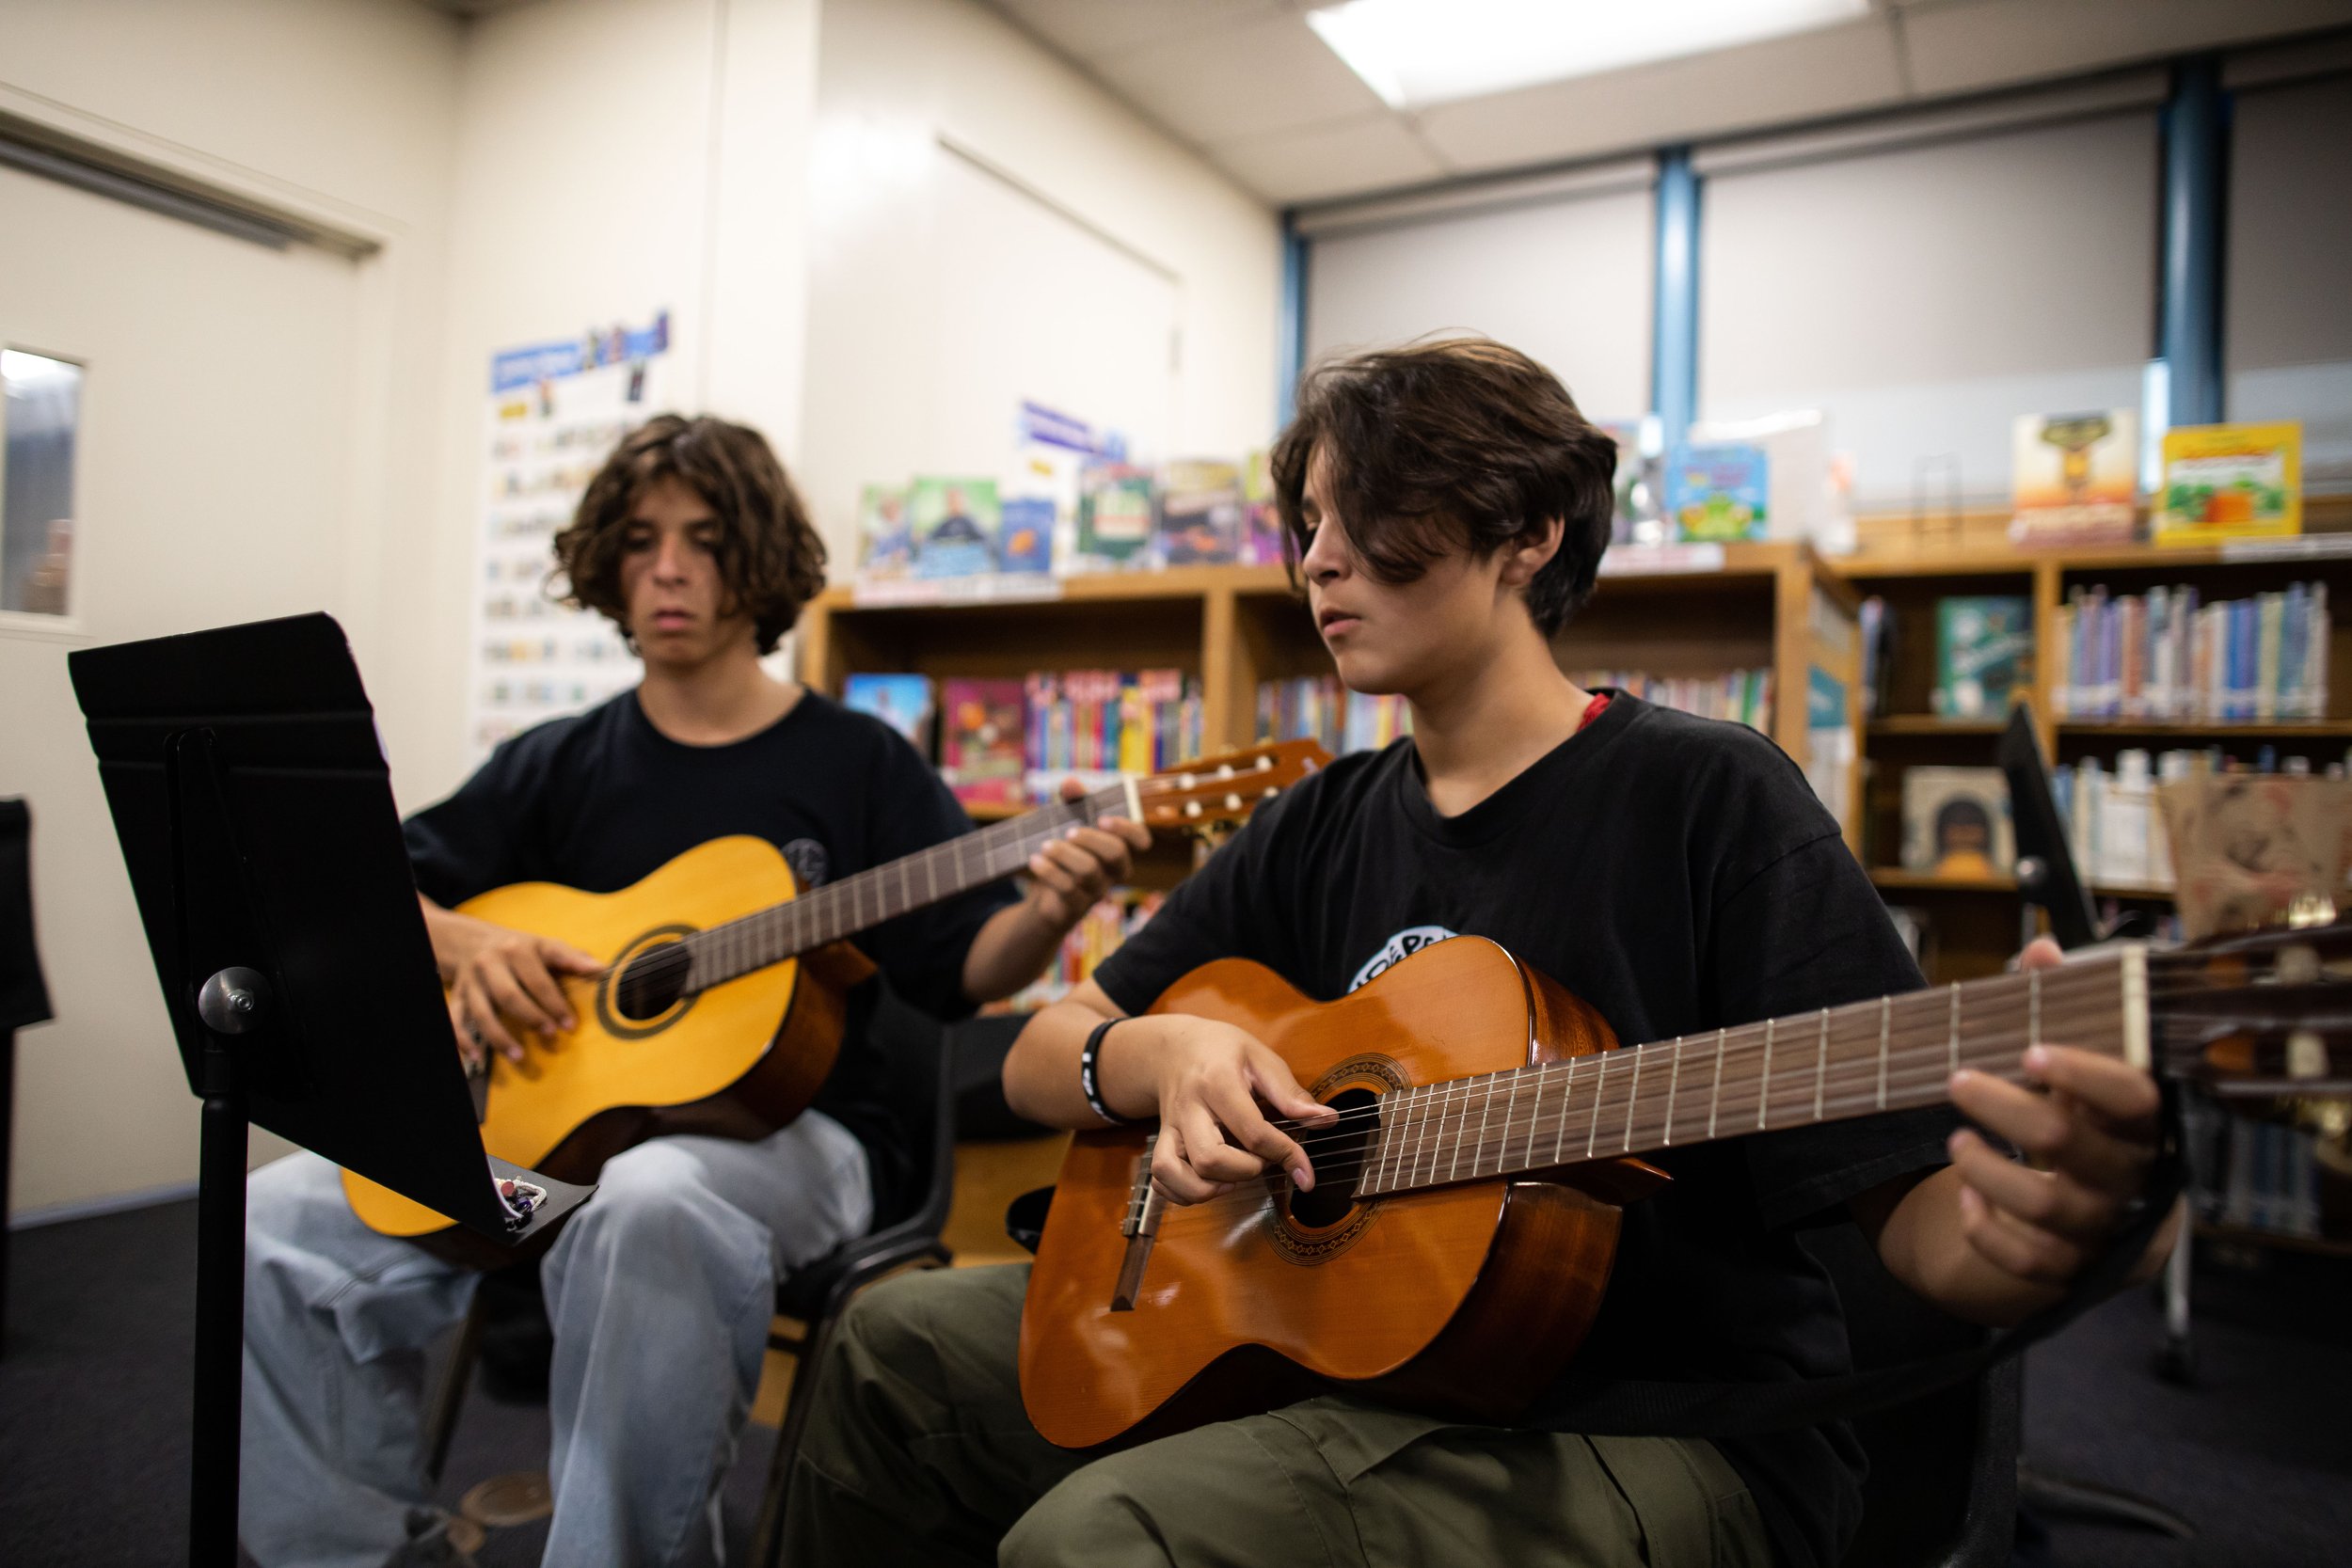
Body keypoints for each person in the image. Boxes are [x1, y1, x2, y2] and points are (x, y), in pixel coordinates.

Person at [779, 341, 2182, 1568]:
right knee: (890, 1350)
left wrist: (2064, 1225)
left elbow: (1928, 1234)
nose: (1316, 556)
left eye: (1367, 511)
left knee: (1109, 1536)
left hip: (1656, 1429)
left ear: (1528, 529)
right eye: (1308, 518)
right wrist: (1166, 1049)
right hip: (1341, 1358)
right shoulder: (1315, 819)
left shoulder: (1711, 798)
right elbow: (1035, 1046)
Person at [239, 414, 1150, 1568]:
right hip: (553, 1143)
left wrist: (1051, 908)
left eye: (706, 539)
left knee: (650, 1197)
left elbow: (961, 967)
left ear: (758, 560)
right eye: (639, 540)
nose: (667, 566)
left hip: (801, 1136)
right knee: (279, 1224)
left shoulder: (857, 762)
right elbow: (379, 891)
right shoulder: (561, 757)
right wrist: (466, 946)